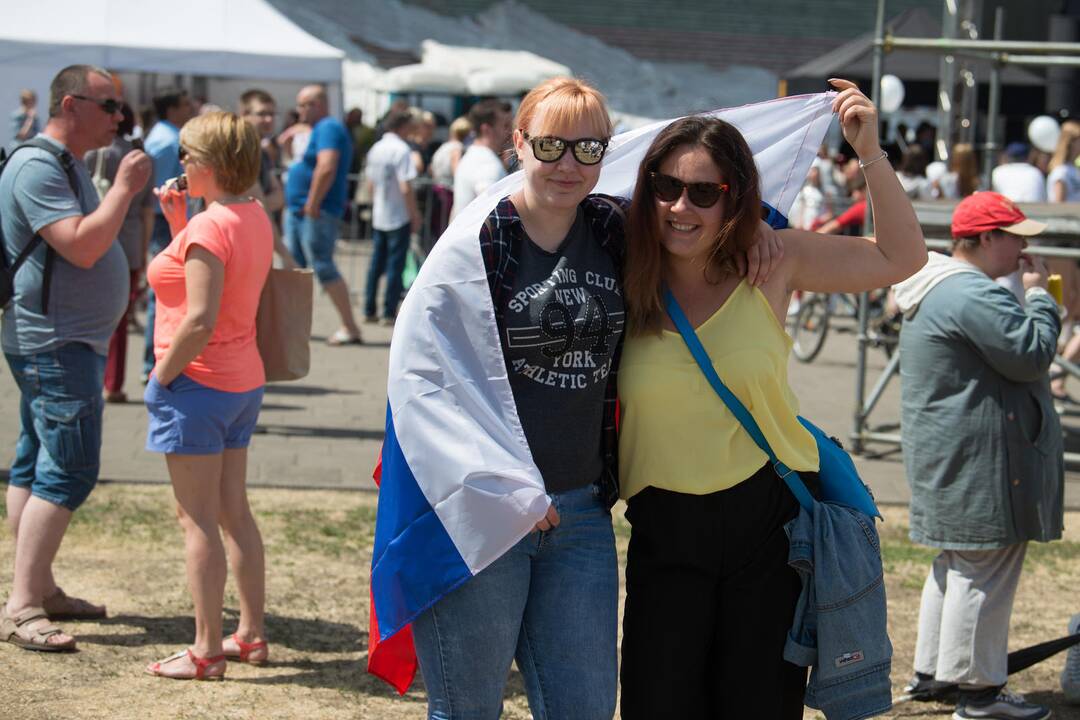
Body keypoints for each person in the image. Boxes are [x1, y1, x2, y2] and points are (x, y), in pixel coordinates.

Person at [402, 75, 783, 720]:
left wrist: (756, 231)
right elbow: (424, 384)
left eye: (588, 148)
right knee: (467, 709)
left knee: (582, 709)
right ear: (517, 145)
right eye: (551, 146)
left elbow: (693, 219)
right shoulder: (476, 247)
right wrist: (506, 488)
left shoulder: (613, 231)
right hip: (484, 514)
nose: (569, 165)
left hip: (579, 516)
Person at [616, 79, 925, 718]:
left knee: (759, 705)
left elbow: (902, 256)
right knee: (657, 703)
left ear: (736, 200)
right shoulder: (618, 265)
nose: (681, 206)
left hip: (767, 523)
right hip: (662, 528)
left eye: (705, 192)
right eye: (666, 187)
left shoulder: (771, 262)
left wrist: (869, 150)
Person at [893, 191, 1063, 720]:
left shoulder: (940, 284)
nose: (1024, 249)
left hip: (957, 453)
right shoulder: (969, 292)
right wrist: (1041, 298)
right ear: (987, 239)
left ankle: (936, 676)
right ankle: (978, 693)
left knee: (959, 563)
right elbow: (1030, 354)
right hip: (980, 460)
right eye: (1017, 237)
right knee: (982, 566)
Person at [0, 64, 151, 651]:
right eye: (110, 106)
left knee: (34, 463)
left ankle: (38, 586)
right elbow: (83, 247)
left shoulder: (63, 163)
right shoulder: (38, 164)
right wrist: (123, 188)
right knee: (68, 470)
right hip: (56, 342)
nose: (121, 117)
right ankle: (23, 605)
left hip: (61, 340)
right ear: (72, 104)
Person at [143, 111, 272, 680]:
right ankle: (249, 634)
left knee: (196, 519)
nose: (182, 166)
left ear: (212, 165)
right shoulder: (251, 215)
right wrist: (181, 225)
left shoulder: (210, 227)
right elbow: (210, 283)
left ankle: (205, 650)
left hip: (197, 382)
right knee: (231, 511)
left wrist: (159, 376)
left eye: (188, 157)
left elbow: (197, 318)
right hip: (241, 380)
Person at [85, 103, 155, 404]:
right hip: (130, 240)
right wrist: (143, 249)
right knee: (121, 319)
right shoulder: (141, 158)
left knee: (92, 314)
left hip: (93, 234)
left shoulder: (91, 154)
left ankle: (92, 377)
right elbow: (148, 212)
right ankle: (113, 383)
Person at [283, 84, 362, 345]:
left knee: (322, 265)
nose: (300, 110)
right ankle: (294, 324)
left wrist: (313, 203)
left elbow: (326, 166)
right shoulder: (321, 129)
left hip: (315, 210)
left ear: (318, 105)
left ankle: (349, 326)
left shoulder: (328, 127)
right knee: (296, 269)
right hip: (303, 209)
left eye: (305, 104)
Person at [142, 87, 195, 383]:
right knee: (166, 294)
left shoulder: (161, 135)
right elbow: (166, 186)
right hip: (167, 217)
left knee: (165, 293)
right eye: (185, 104)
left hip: (166, 216)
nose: (190, 109)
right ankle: (156, 360)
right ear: (172, 109)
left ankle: (155, 360)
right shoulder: (170, 140)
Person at [362, 110, 420, 325]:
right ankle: (388, 311)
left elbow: (370, 183)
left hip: (380, 212)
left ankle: (369, 308)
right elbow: (406, 187)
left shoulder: (376, 148)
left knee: (376, 263)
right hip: (398, 214)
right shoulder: (402, 150)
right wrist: (414, 213)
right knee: (395, 264)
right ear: (403, 127)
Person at [451, 99, 512, 219]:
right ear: (486, 130)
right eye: (505, 125)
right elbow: (492, 211)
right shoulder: (486, 163)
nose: (511, 131)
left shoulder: (473, 155)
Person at [428, 115, 471, 241]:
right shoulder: (457, 148)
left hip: (437, 187)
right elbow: (456, 170)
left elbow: (431, 168)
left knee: (437, 227)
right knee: (444, 229)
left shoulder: (444, 146)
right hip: (447, 191)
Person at [1047, 120, 1080, 203]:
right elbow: (1059, 205)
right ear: (1071, 142)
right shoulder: (1061, 172)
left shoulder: (1072, 168)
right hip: (1069, 216)